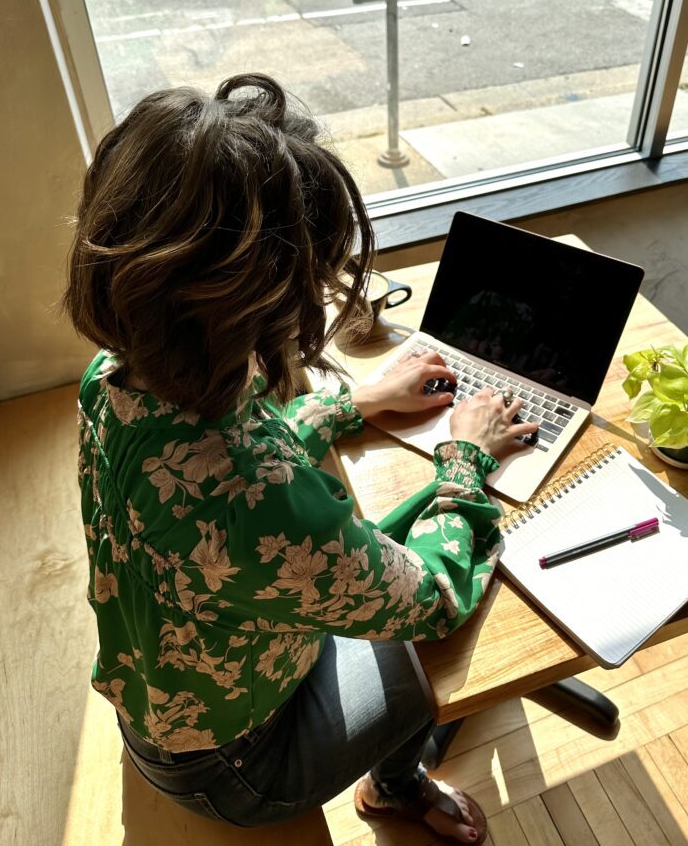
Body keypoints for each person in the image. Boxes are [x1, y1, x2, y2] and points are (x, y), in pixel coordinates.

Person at [64, 73, 538, 844]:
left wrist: (359, 401)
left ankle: (393, 767)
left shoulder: (119, 375)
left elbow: (238, 456)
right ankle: (394, 785)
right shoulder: (260, 499)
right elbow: (433, 598)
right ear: (252, 304)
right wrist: (464, 458)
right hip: (240, 769)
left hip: (159, 699)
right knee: (445, 642)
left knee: (392, 533)